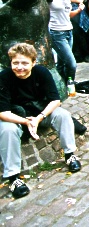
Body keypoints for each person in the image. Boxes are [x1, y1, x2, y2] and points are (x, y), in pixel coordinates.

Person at [0, 43, 82, 199]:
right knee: (7, 130)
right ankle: (13, 177)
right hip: (16, 116)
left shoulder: (42, 73)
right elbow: (2, 112)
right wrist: (26, 122)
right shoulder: (3, 77)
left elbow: (55, 100)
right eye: (15, 63)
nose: (19, 67)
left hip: (39, 113)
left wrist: (38, 118)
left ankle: (70, 154)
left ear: (33, 62)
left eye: (24, 63)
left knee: (63, 115)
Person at [49, 0, 84, 82]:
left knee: (62, 62)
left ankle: (61, 85)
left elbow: (68, 15)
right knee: (71, 63)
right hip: (56, 32)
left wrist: (78, 10)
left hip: (68, 30)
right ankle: (70, 83)